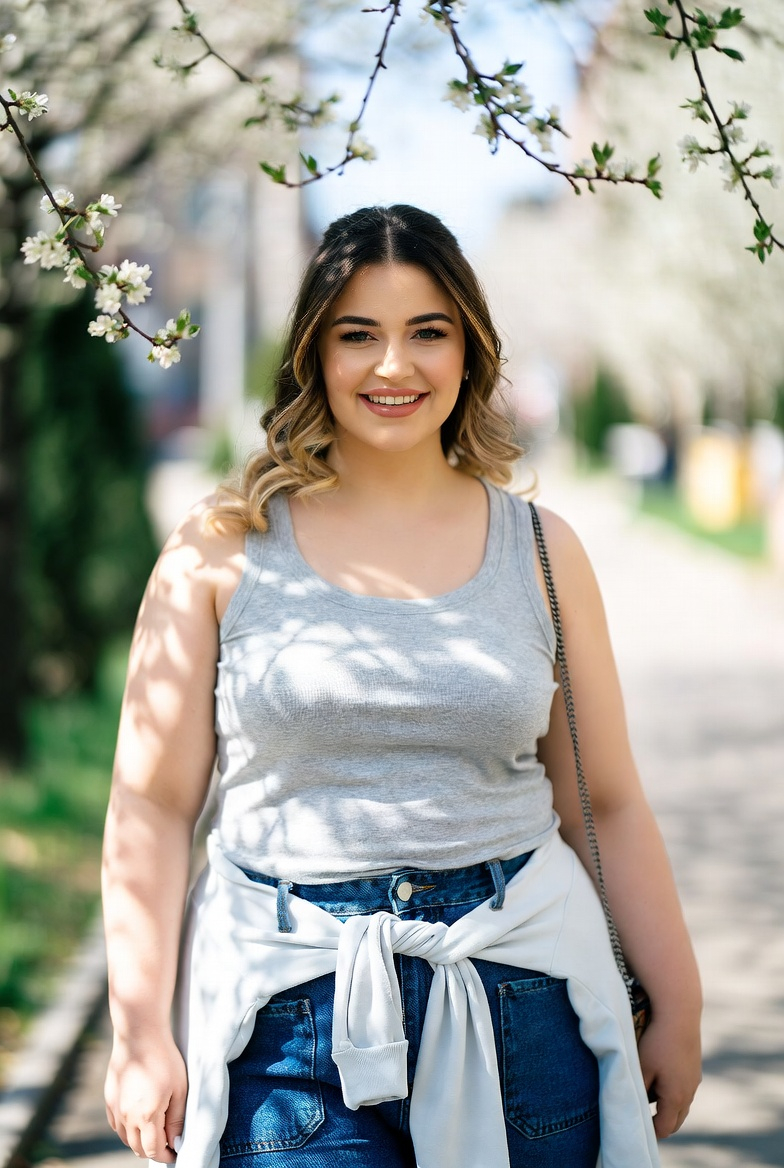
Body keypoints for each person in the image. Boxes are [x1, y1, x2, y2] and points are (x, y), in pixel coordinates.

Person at [102, 204, 702, 1168]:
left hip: (520, 999)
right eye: (358, 335)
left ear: (470, 350)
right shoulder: (218, 549)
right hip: (286, 1020)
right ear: (313, 351)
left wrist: (679, 1001)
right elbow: (151, 803)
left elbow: (607, 802)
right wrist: (138, 1032)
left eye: (428, 332)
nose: (394, 365)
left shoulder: (544, 554)